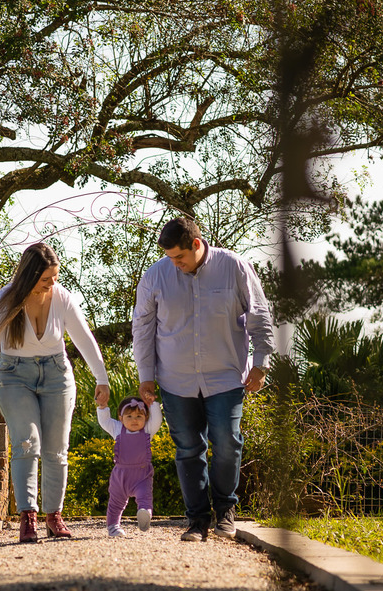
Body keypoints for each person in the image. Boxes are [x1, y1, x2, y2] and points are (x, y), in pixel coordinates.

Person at [132, 216, 275, 542]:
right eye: (170, 257)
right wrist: (146, 376)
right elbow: (142, 328)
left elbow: (260, 316)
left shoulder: (235, 267)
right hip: (175, 380)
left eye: (180, 257)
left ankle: (225, 512)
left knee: (227, 442)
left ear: (196, 244)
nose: (175, 263)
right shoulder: (155, 276)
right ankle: (197, 520)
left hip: (225, 376)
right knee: (188, 449)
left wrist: (261, 363)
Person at [0, 242, 110, 543]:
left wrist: (101, 377)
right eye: (45, 279)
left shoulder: (62, 297)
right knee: (27, 443)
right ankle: (28, 516)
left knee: (56, 448)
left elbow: (84, 338)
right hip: (14, 376)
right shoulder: (7, 298)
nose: (52, 283)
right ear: (29, 276)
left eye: (55, 277)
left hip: (56, 375)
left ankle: (54, 516)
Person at [95, 395, 162, 537]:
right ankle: (113, 526)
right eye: (129, 416)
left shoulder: (147, 430)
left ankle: (144, 514)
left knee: (145, 497)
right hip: (120, 476)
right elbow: (105, 421)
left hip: (142, 476)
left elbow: (157, 420)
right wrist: (102, 407)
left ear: (146, 417)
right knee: (115, 503)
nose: (134, 420)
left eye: (139, 416)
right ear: (121, 418)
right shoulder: (118, 429)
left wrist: (152, 403)